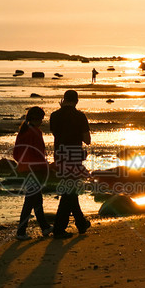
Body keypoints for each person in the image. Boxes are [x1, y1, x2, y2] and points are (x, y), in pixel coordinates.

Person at [49, 90, 92, 239]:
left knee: (70, 191)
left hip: (60, 155)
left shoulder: (54, 116)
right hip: (73, 157)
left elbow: (55, 134)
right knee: (69, 192)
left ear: (64, 99)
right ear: (77, 100)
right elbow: (87, 139)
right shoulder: (80, 116)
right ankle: (59, 228)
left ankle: (81, 223)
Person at [13, 106, 52, 240]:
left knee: (36, 199)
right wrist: (46, 167)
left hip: (24, 169)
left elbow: (15, 153)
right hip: (35, 170)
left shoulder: (22, 131)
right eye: (41, 119)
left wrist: (23, 164)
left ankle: (45, 227)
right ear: (37, 118)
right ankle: (21, 232)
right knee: (30, 200)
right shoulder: (36, 132)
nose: (42, 121)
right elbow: (39, 154)